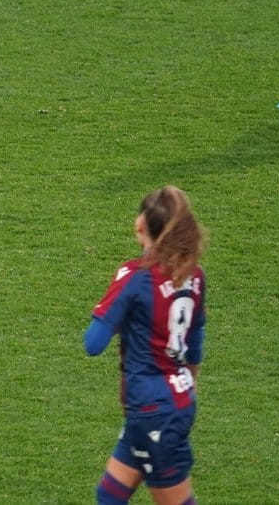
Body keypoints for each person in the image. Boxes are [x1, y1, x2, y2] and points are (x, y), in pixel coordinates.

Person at [85, 186, 207, 505]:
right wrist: (183, 390)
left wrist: (115, 307)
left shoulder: (135, 277)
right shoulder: (193, 275)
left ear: (142, 225)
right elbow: (194, 344)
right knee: (109, 494)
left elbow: (93, 343)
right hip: (171, 400)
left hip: (153, 409)